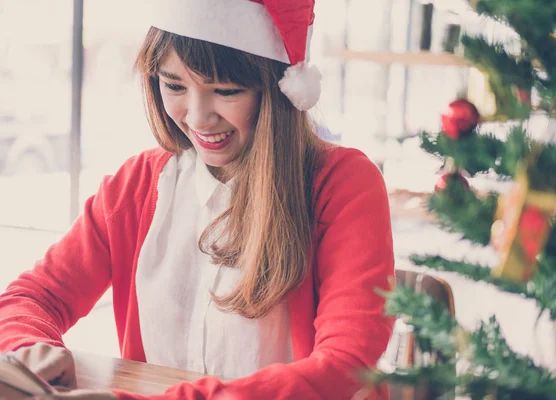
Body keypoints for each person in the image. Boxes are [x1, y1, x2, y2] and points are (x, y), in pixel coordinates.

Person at [0, 0, 395, 399]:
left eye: (226, 91)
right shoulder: (137, 185)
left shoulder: (343, 184)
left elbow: (347, 362)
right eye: (174, 85)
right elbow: (29, 299)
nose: (198, 117)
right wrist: (30, 351)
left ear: (277, 91)